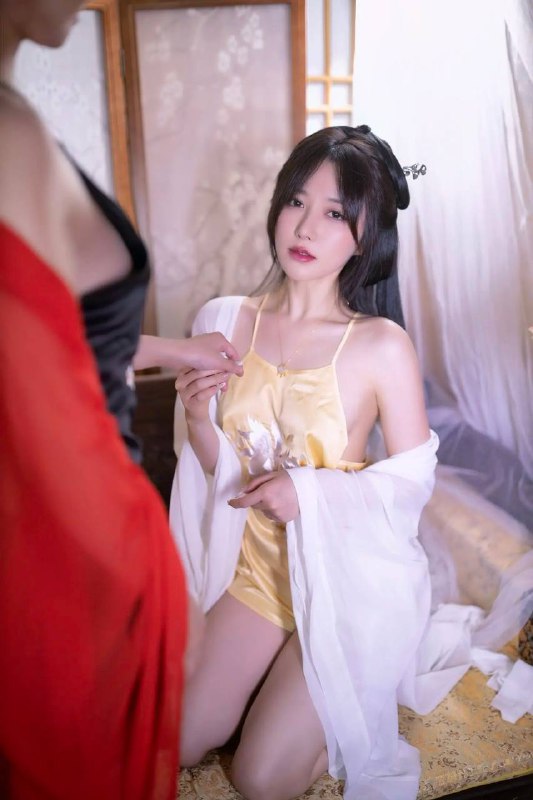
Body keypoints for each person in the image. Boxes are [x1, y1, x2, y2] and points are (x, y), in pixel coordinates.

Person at [0, 1, 238, 797]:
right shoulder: (9, 135)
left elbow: (59, 343)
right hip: (76, 553)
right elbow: (47, 421)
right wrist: (155, 579)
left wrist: (176, 351)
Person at [169, 125, 442, 800]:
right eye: (296, 201)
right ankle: (277, 688)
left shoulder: (381, 346)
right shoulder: (224, 319)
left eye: (334, 214)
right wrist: (198, 421)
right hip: (257, 576)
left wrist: (310, 492)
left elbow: (411, 487)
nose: (305, 226)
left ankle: (331, 712)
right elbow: (227, 480)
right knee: (178, 737)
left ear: (365, 236)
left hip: (347, 583)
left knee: (260, 778)